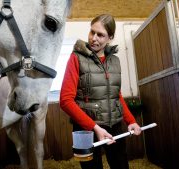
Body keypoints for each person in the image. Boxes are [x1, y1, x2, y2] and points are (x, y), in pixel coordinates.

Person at [60, 14, 142, 169]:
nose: (94, 38)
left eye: (100, 35)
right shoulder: (76, 58)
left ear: (110, 37)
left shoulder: (114, 61)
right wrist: (94, 128)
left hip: (115, 126)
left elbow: (115, 95)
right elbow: (65, 100)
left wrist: (130, 121)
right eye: (92, 32)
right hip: (86, 130)